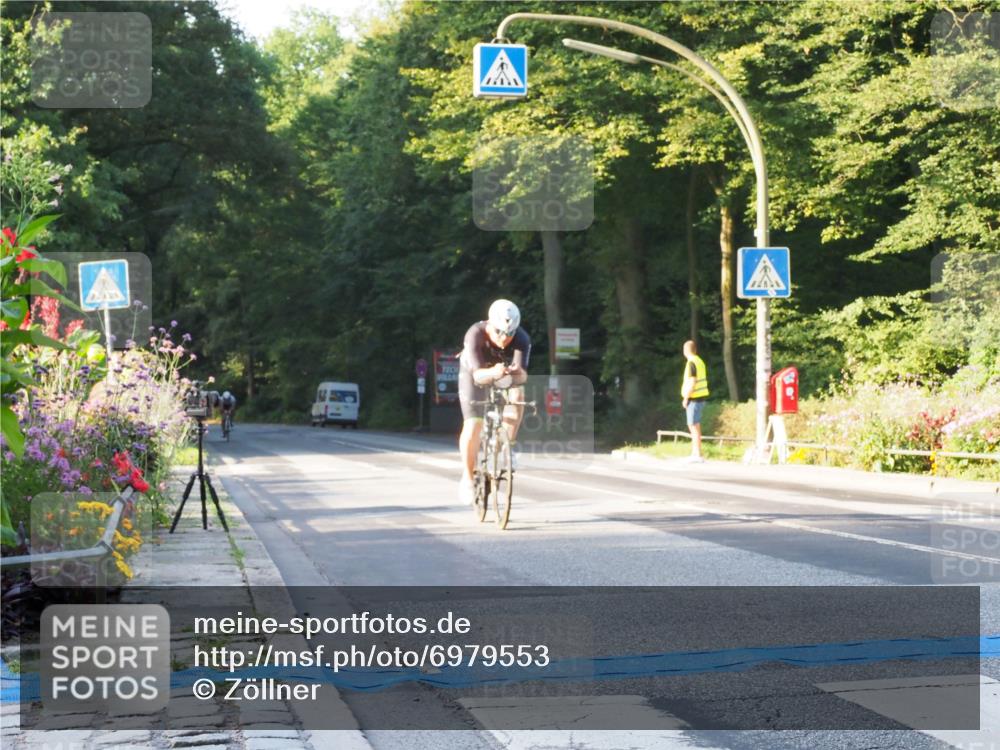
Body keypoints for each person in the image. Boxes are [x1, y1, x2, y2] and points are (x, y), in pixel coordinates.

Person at [457, 299, 531, 505]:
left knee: (518, 396)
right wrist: (493, 372)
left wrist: (517, 374)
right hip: (476, 373)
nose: (504, 338)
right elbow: (479, 376)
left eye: (509, 333)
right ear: (490, 324)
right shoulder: (475, 334)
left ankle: (507, 447)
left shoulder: (522, 338)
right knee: (473, 424)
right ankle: (468, 478)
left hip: (502, 373)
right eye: (499, 332)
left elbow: (522, 377)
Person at [681, 340, 709, 462]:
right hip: (700, 396)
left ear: (685, 351)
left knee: (693, 425)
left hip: (695, 397)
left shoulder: (691, 363)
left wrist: (686, 398)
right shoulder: (700, 361)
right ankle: (695, 452)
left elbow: (692, 381)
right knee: (693, 424)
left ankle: (697, 454)